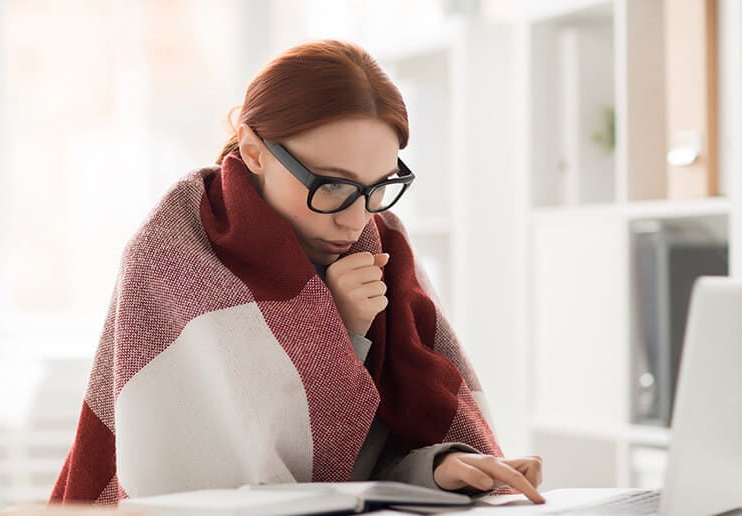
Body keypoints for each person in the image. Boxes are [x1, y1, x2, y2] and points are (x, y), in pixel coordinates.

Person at [50, 39, 544, 506]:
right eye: (331, 185)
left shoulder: (384, 244)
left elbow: (361, 472)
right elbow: (235, 482)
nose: (355, 218)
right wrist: (341, 329)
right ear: (254, 149)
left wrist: (443, 467)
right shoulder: (174, 255)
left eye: (378, 187)